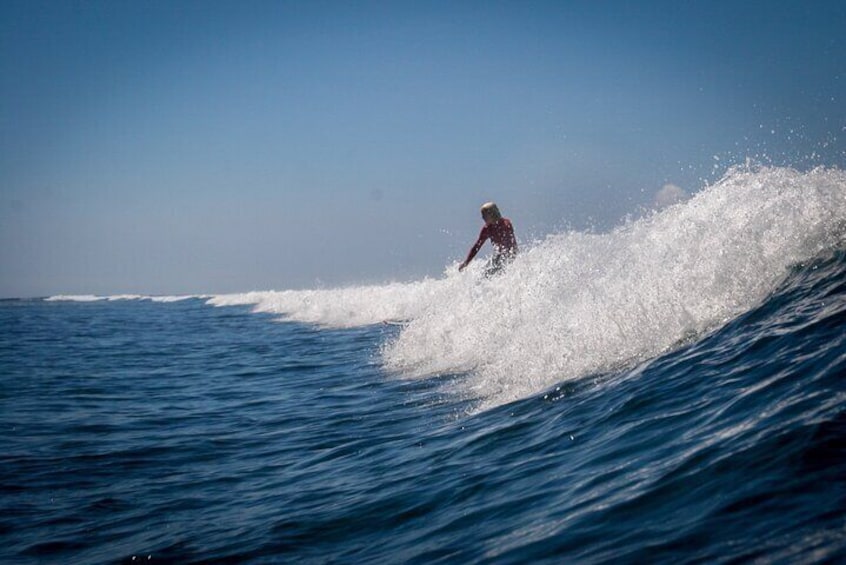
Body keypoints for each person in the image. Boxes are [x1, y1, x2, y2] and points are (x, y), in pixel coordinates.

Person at [459, 202, 518, 276]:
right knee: (485, 275)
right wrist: (466, 262)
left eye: (484, 214)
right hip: (498, 255)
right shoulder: (487, 229)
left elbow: (509, 243)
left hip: (511, 255)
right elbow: (477, 246)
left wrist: (507, 257)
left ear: (492, 213)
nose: (482, 217)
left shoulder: (506, 224)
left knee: (498, 272)